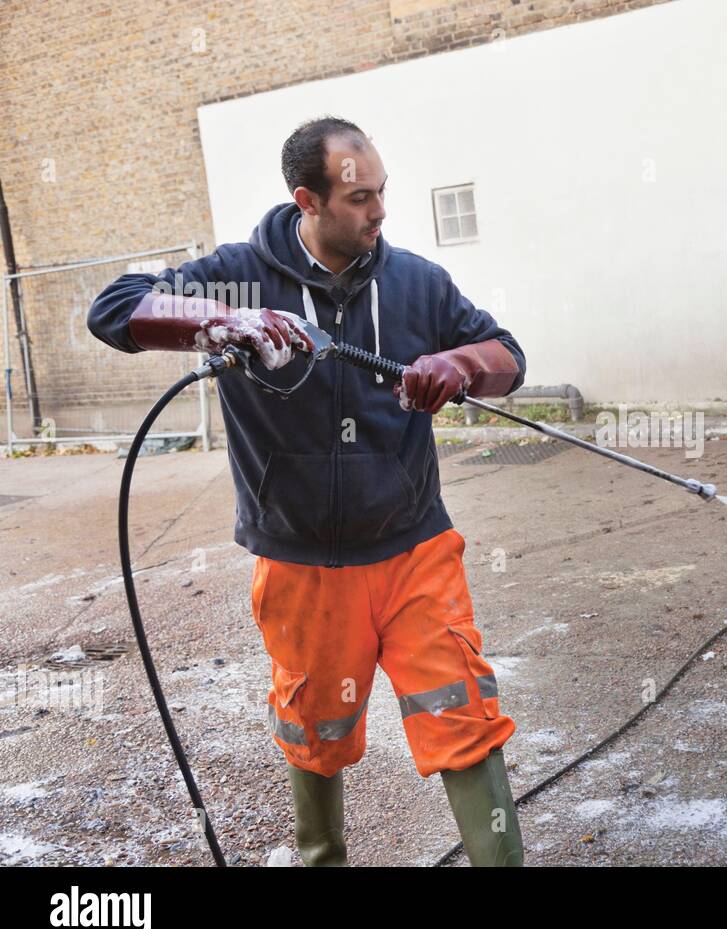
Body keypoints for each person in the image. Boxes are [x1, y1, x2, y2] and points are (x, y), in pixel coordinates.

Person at [88, 116, 526, 866]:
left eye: (382, 191)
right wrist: (224, 320)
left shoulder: (418, 281)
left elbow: (508, 356)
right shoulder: (239, 274)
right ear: (308, 200)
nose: (380, 211)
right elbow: (112, 309)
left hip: (414, 547)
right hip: (301, 562)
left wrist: (459, 364)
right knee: (315, 729)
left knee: (462, 715)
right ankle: (321, 855)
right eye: (359, 198)